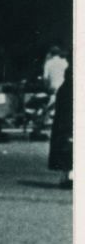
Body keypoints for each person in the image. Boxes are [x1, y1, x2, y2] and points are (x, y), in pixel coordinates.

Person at [48, 59, 73, 188]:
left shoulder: (64, 88)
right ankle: (69, 177)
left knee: (66, 152)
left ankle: (65, 177)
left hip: (64, 125)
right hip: (69, 124)